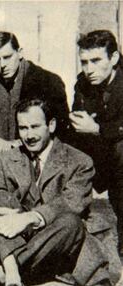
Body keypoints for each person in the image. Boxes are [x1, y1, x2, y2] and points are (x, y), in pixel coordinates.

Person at [0, 99, 120, 286]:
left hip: (59, 243)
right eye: (23, 128)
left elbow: (72, 202)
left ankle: (0, 274)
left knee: (71, 222)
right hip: (16, 237)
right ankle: (14, 280)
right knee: (1, 200)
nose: (29, 135)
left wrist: (29, 218)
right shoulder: (7, 159)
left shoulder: (79, 160)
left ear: (51, 125)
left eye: (34, 127)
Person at [0, 31, 69, 161]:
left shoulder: (48, 82)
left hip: (40, 162)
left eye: (7, 57)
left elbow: (60, 129)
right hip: (1, 164)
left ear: (20, 53)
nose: (2, 65)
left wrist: (12, 145)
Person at [69, 30, 123, 250]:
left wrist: (98, 128)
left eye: (96, 61)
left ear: (114, 58)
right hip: (100, 150)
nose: (89, 69)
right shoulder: (82, 83)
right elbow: (76, 115)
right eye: (84, 62)